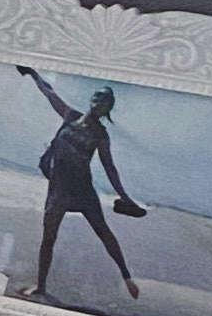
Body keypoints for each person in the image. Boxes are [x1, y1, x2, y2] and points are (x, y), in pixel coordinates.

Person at [17, 66, 146, 303]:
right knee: (49, 236)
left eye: (105, 99)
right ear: (91, 99)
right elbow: (49, 93)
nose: (99, 100)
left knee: (103, 231)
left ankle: (127, 276)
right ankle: (41, 286)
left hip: (84, 192)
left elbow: (109, 167)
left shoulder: (101, 135)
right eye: (97, 95)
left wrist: (125, 197)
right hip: (59, 190)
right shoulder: (70, 116)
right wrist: (33, 74)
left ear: (109, 108)